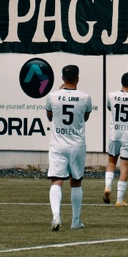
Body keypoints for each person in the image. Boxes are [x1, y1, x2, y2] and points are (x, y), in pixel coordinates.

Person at [45, 65, 93, 231]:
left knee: (56, 180)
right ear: (77, 78)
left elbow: (50, 116)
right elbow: (85, 117)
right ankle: (75, 221)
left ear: (62, 78)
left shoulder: (52, 97)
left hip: (58, 145)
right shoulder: (85, 97)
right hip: (76, 144)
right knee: (76, 181)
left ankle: (56, 216)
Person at [104, 72, 128, 207]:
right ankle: (119, 200)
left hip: (114, 134)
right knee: (124, 168)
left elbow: (109, 108)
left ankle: (107, 186)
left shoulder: (111, 95)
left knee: (111, 162)